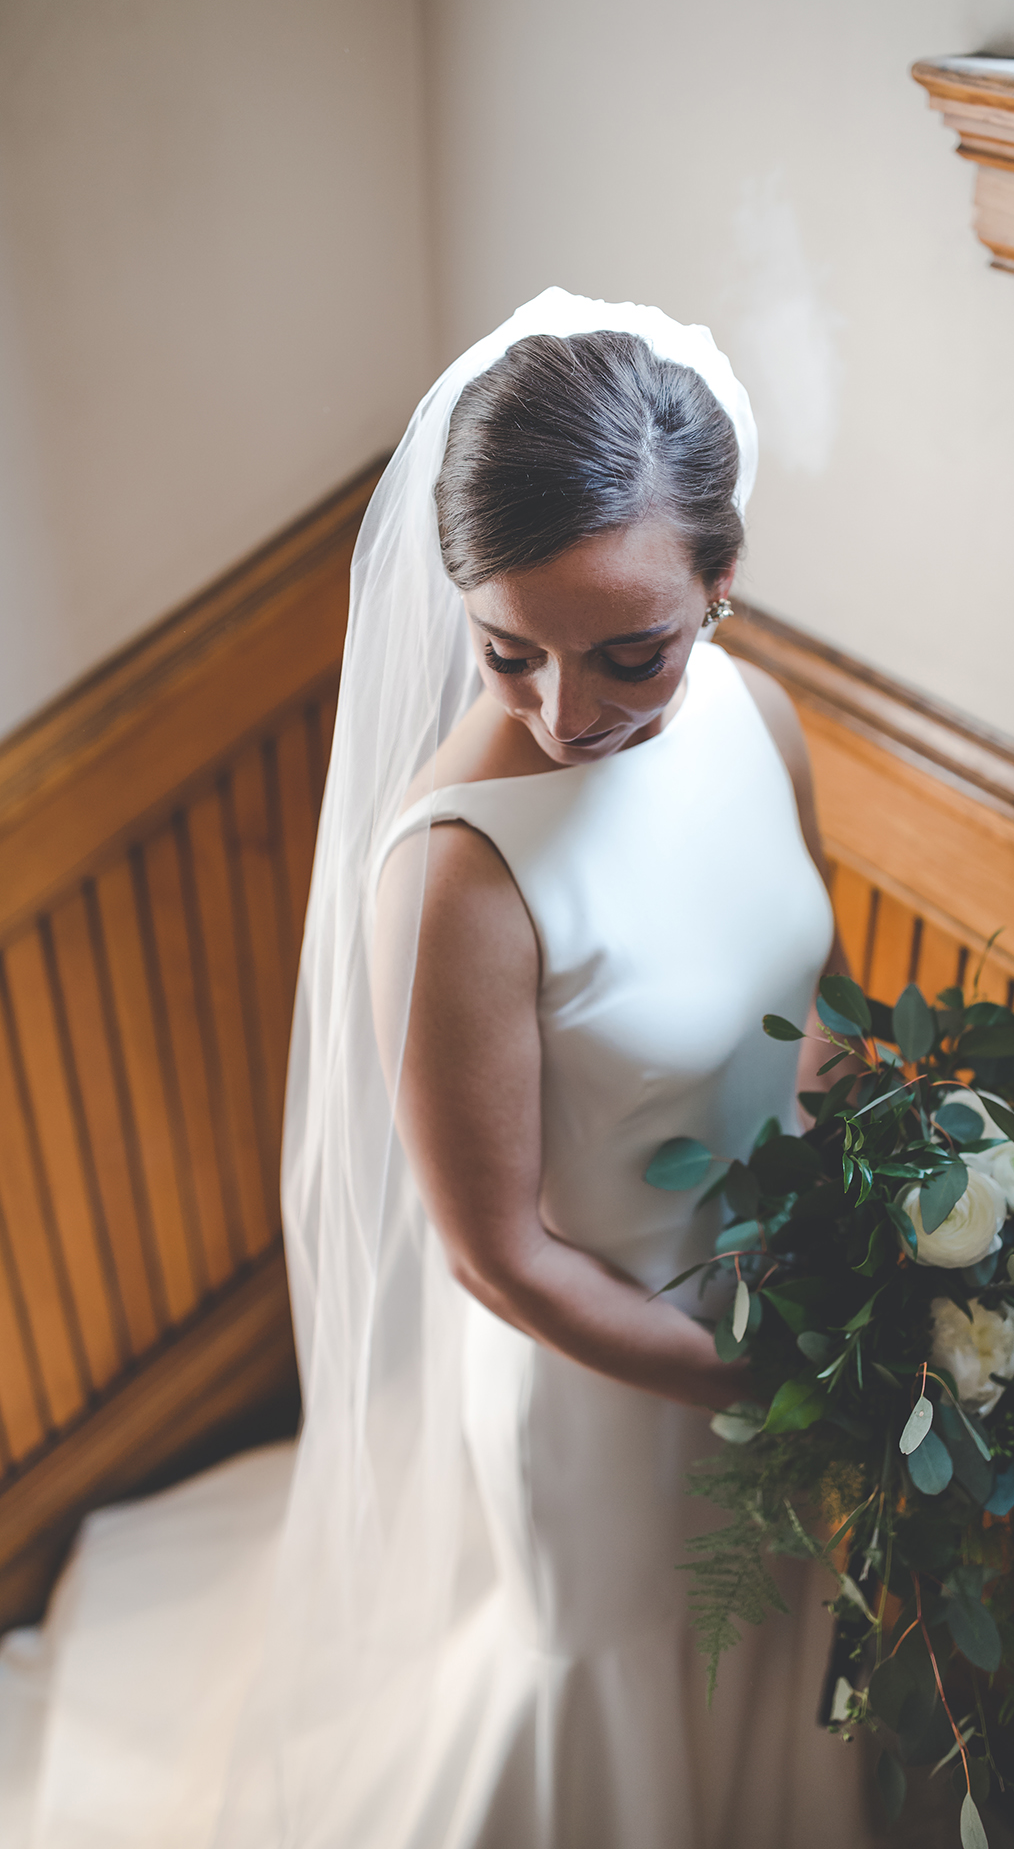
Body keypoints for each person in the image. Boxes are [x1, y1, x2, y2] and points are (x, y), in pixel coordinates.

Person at [3, 293, 884, 1849]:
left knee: (763, 1643)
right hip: (600, 1391)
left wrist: (861, 1219)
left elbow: (806, 998)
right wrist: (750, 1376)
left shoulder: (760, 717)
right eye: (506, 655)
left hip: (788, 1315)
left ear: (720, 582)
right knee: (603, 1677)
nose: (566, 715)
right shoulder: (459, 875)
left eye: (630, 653)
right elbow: (498, 1254)